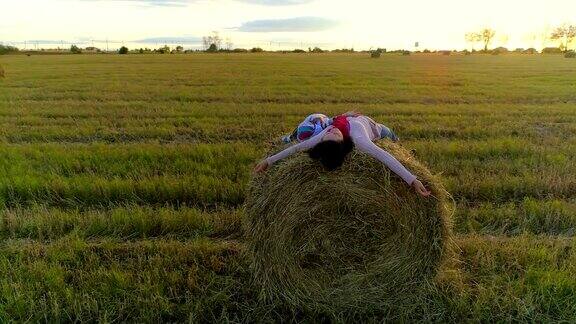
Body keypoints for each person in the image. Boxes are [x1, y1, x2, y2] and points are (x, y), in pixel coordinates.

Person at [255, 113, 431, 197]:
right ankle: (399, 142)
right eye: (334, 136)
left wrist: (269, 161)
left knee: (305, 134)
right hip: (373, 127)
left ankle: (403, 148)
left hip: (350, 116)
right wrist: (412, 180)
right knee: (390, 135)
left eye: (328, 134)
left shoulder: (325, 134)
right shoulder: (360, 140)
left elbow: (296, 148)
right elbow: (384, 156)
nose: (332, 132)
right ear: (342, 145)